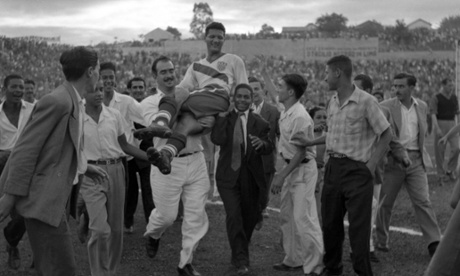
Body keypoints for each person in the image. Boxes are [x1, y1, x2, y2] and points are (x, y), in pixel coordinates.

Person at [0, 46, 107, 276]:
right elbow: (25, 150)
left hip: (54, 199)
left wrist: (85, 167)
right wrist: (8, 197)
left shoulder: (72, 99)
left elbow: (57, 150)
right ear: (90, 71)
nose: (98, 73)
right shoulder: (58, 101)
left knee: (51, 266)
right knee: (61, 269)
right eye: (97, 69)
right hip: (44, 199)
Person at [311, 55, 392, 276]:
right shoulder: (332, 101)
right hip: (333, 168)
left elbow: (386, 134)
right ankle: (333, 267)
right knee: (330, 225)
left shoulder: (366, 101)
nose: (325, 78)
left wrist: (370, 165)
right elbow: (332, 136)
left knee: (359, 228)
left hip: (357, 171)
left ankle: (363, 272)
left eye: (327, 73)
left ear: (337, 73)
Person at [135, 22, 248, 175]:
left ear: (224, 40)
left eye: (220, 37)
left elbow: (243, 91)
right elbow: (182, 88)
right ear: (205, 38)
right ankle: (166, 155)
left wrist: (222, 117)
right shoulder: (195, 66)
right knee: (184, 124)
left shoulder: (234, 60)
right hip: (204, 106)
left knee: (176, 95)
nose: (216, 40)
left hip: (218, 97)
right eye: (212, 36)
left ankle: (160, 124)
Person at [142, 55, 211, 276]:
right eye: (163, 72)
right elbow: (164, 128)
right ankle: (153, 234)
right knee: (167, 216)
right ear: (155, 76)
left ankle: (186, 263)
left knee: (195, 215)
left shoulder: (190, 95)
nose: (169, 75)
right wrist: (184, 110)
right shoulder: (149, 103)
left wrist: (200, 121)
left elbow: (206, 125)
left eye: (171, 70)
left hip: (195, 158)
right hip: (167, 163)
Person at [80, 83, 148, 276]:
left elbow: (125, 146)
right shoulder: (77, 118)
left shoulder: (114, 115)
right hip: (90, 173)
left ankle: (111, 272)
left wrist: (151, 157)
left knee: (116, 231)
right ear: (83, 92)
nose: (99, 93)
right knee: (100, 230)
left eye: (101, 89)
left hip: (117, 170)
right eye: (94, 89)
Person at [375, 73, 441, 258]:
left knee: (423, 201)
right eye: (395, 86)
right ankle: (381, 239)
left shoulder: (423, 106)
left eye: (401, 86)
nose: (396, 90)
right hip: (393, 160)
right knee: (385, 203)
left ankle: (434, 242)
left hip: (416, 160)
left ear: (412, 88)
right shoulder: (385, 106)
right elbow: (384, 133)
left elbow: (422, 132)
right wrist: (397, 153)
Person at [211, 83, 273, 275]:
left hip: (250, 176)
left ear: (252, 99)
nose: (243, 100)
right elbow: (217, 139)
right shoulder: (224, 118)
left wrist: (261, 144)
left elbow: (269, 146)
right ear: (233, 98)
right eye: (239, 96)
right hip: (228, 176)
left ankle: (238, 254)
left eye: (247, 97)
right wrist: (221, 117)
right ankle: (241, 260)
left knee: (248, 218)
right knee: (234, 215)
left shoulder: (260, 122)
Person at [270, 74, 324, 276]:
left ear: (291, 92)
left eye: (281, 86)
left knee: (304, 218)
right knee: (287, 216)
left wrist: (281, 175)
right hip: (290, 167)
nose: (278, 90)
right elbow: (272, 90)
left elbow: (301, 152)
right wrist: (266, 70)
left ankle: (316, 266)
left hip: (300, 169)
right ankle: (293, 259)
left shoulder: (300, 115)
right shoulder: (288, 110)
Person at [99, 62, 146, 232]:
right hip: (98, 159)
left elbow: (145, 116)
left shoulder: (126, 101)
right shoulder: (90, 102)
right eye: (104, 77)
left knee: (125, 194)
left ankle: (122, 224)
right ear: (98, 79)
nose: (108, 81)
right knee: (100, 196)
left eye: (111, 77)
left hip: (123, 158)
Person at [0, 74, 34, 270]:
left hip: (28, 165)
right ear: (4, 88)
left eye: (21, 87)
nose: (19, 91)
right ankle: (14, 245)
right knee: (11, 210)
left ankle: (12, 242)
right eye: (14, 87)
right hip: (3, 166)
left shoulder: (33, 110)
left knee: (27, 211)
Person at [124, 77, 155, 233]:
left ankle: (151, 225)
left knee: (148, 191)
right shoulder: (124, 105)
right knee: (130, 191)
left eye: (140, 87)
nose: (137, 90)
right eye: (134, 87)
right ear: (129, 89)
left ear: (145, 88)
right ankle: (127, 222)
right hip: (128, 154)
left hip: (146, 153)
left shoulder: (149, 107)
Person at [248, 76, 280, 221]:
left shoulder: (273, 112)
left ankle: (262, 208)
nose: (253, 92)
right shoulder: (241, 110)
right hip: (245, 159)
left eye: (256, 89)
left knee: (263, 193)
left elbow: (281, 134)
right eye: (250, 89)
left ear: (263, 90)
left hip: (266, 160)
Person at [431, 78, 460, 185]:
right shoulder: (436, 97)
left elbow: (457, 112)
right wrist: (437, 127)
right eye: (449, 85)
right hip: (440, 123)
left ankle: (450, 170)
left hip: (452, 124)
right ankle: (440, 175)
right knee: (440, 152)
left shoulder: (454, 97)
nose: (451, 88)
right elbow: (433, 113)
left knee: (456, 148)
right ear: (443, 85)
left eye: (452, 86)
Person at [309, 106, 327, 225]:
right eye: (318, 117)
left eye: (325, 117)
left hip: (323, 175)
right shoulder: (308, 135)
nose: (322, 120)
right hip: (309, 174)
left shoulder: (329, 134)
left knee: (320, 209)